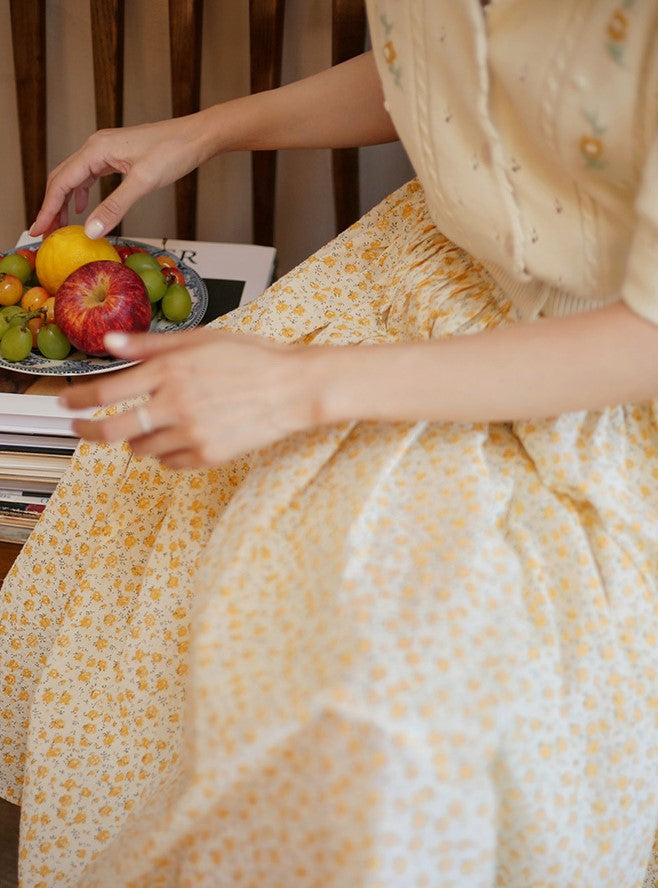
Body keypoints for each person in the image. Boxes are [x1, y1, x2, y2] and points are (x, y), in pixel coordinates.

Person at [1, 1, 657, 885]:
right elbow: (446, 68)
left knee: (372, 673)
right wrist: (202, 132)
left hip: (588, 372)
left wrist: (295, 387)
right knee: (143, 514)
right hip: (424, 268)